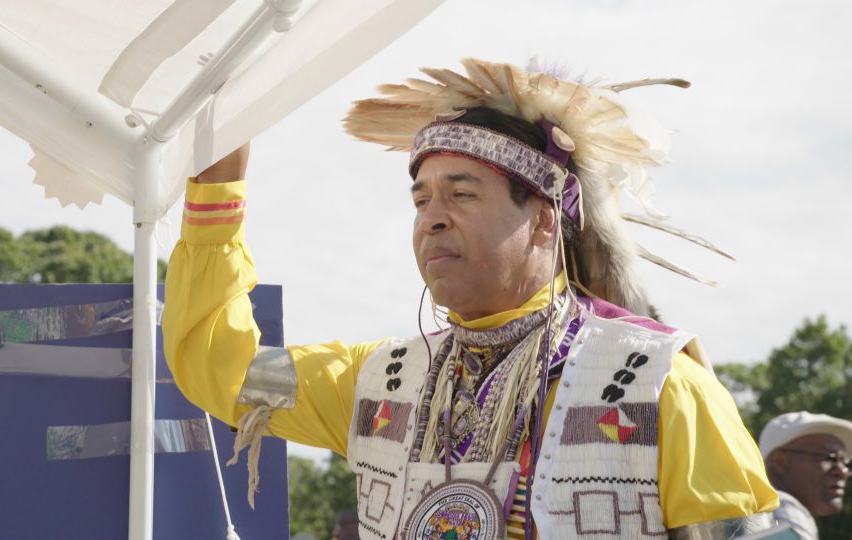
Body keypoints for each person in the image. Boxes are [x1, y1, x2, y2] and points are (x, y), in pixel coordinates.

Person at [163, 59, 778, 539]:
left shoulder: (657, 386)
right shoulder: (381, 382)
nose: (432, 218)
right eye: (421, 200)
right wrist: (218, 192)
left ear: (542, 221)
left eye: (461, 196)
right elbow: (226, 371)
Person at [759, 412, 852, 540]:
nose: (842, 471)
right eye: (829, 457)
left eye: (845, 462)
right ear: (779, 461)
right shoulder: (782, 507)